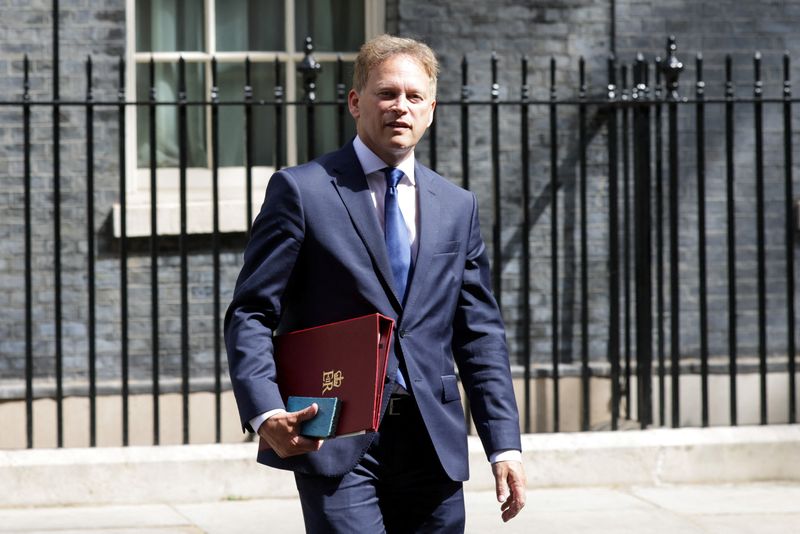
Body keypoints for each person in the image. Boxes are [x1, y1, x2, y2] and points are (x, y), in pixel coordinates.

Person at [225, 34, 526, 533]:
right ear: (355, 101)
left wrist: (505, 444)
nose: (399, 107)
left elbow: (479, 334)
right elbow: (252, 312)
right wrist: (266, 411)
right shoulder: (302, 191)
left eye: (413, 97)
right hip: (337, 432)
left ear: (431, 109)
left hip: (433, 438)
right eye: (387, 93)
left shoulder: (457, 207)